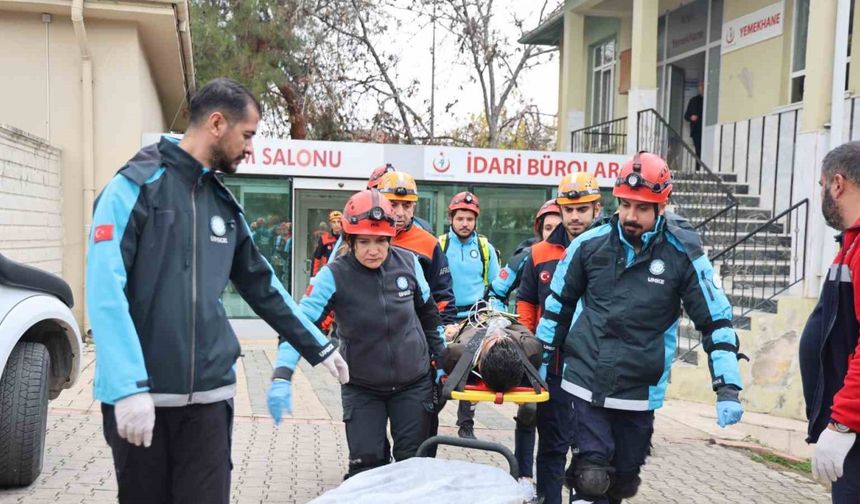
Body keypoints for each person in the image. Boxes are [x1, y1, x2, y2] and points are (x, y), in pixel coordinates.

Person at [86, 77, 348, 504]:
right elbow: (104, 290)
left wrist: (320, 345)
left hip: (209, 401)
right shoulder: (133, 187)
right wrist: (127, 386)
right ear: (216, 123)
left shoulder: (222, 205)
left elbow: (264, 287)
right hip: (142, 398)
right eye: (247, 135)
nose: (250, 148)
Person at [536, 151, 744, 504]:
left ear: (661, 207)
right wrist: (540, 358)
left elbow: (715, 318)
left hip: (639, 388)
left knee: (623, 482)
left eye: (643, 208)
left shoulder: (682, 254)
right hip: (586, 379)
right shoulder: (589, 246)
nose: (631, 216)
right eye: (626, 205)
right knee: (591, 476)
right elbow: (558, 304)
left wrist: (727, 386)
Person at [268, 189, 446, 478]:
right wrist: (282, 373)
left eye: (380, 241)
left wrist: (443, 363)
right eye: (363, 241)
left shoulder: (410, 263)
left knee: (413, 467)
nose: (373, 250)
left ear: (390, 238)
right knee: (367, 468)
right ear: (350, 240)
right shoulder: (333, 274)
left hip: (414, 383)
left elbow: (429, 316)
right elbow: (299, 323)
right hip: (362, 387)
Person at [517, 173, 602, 504]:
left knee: (592, 454)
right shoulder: (538, 253)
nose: (575, 217)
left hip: (596, 370)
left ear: (597, 209)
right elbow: (526, 299)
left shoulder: (610, 247)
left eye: (582, 209)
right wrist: (530, 346)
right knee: (551, 448)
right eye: (569, 210)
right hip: (551, 367)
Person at [799, 141, 860, 502]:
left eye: (822, 185)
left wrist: (843, 422)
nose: (822, 192)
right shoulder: (849, 244)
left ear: (837, 183)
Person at [439, 191, 502, 439]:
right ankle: (431, 415)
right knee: (441, 366)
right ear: (451, 219)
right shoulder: (440, 244)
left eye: (469, 218)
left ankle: (466, 424)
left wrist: (495, 315)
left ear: (476, 220)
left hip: (476, 318)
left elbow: (498, 285)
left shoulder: (485, 248)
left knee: (471, 367)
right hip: (446, 318)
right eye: (460, 218)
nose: (465, 223)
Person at [378, 171, 457, 324]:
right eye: (393, 204)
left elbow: (442, 296)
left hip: (414, 334)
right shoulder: (363, 238)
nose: (400, 213)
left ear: (414, 206)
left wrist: (443, 333)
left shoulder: (429, 243)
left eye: (407, 205)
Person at [486, 199, 561, 311]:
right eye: (548, 228)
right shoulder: (526, 256)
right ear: (541, 231)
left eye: (559, 228)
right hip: (528, 326)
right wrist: (500, 321)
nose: (553, 233)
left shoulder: (580, 255)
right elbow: (495, 292)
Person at [311, 210, 342, 276]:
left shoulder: (346, 239)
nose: (337, 224)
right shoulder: (324, 239)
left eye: (339, 222)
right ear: (330, 224)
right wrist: (314, 275)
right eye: (334, 222)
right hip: (328, 272)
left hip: (342, 272)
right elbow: (317, 257)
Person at [684, 80, 704, 158]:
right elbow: (686, 116)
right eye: (699, 86)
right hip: (696, 131)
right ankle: (698, 169)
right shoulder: (693, 100)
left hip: (708, 130)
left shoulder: (710, 100)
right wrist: (691, 117)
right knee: (698, 152)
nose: (701, 88)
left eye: (703, 86)